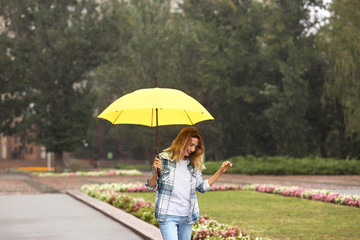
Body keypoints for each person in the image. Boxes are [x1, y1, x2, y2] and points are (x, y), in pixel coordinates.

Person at [145, 127, 232, 240]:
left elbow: (202, 187)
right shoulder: (163, 159)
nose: (192, 149)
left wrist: (220, 172)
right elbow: (150, 186)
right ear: (182, 141)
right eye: (191, 145)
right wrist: (156, 170)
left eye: (195, 146)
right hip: (168, 215)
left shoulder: (193, 164)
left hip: (187, 216)